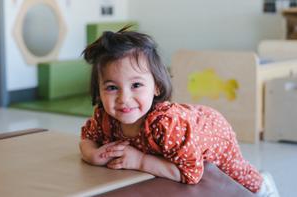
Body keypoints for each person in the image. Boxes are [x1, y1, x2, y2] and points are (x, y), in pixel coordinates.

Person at [79, 26, 279, 197]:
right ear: (99, 89)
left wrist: (140, 160)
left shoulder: (166, 125)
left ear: (156, 86)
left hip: (209, 130)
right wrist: (92, 155)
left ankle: (263, 184)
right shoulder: (104, 117)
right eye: (112, 87)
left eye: (136, 85)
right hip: (185, 130)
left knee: (236, 175)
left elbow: (192, 173)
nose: (124, 99)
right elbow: (87, 138)